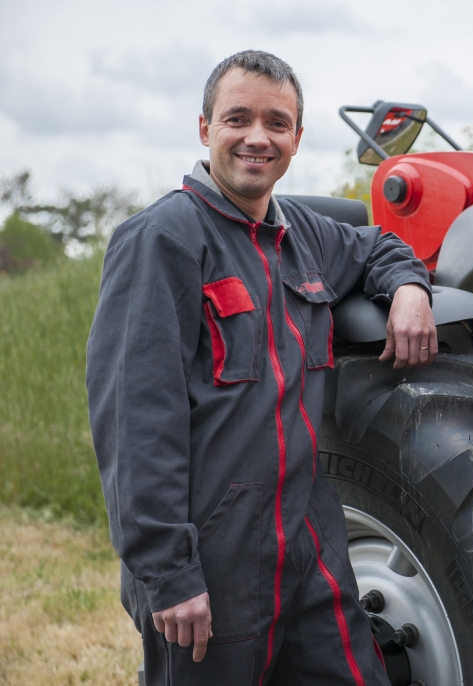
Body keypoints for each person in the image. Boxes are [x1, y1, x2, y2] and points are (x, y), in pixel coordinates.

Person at [86, 50, 437, 685]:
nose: (258, 137)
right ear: (205, 129)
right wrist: (169, 574)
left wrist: (410, 290)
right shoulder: (161, 241)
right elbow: (135, 424)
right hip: (210, 559)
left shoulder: (305, 234)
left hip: (308, 546)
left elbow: (382, 245)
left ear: (297, 139)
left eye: (277, 123)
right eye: (237, 118)